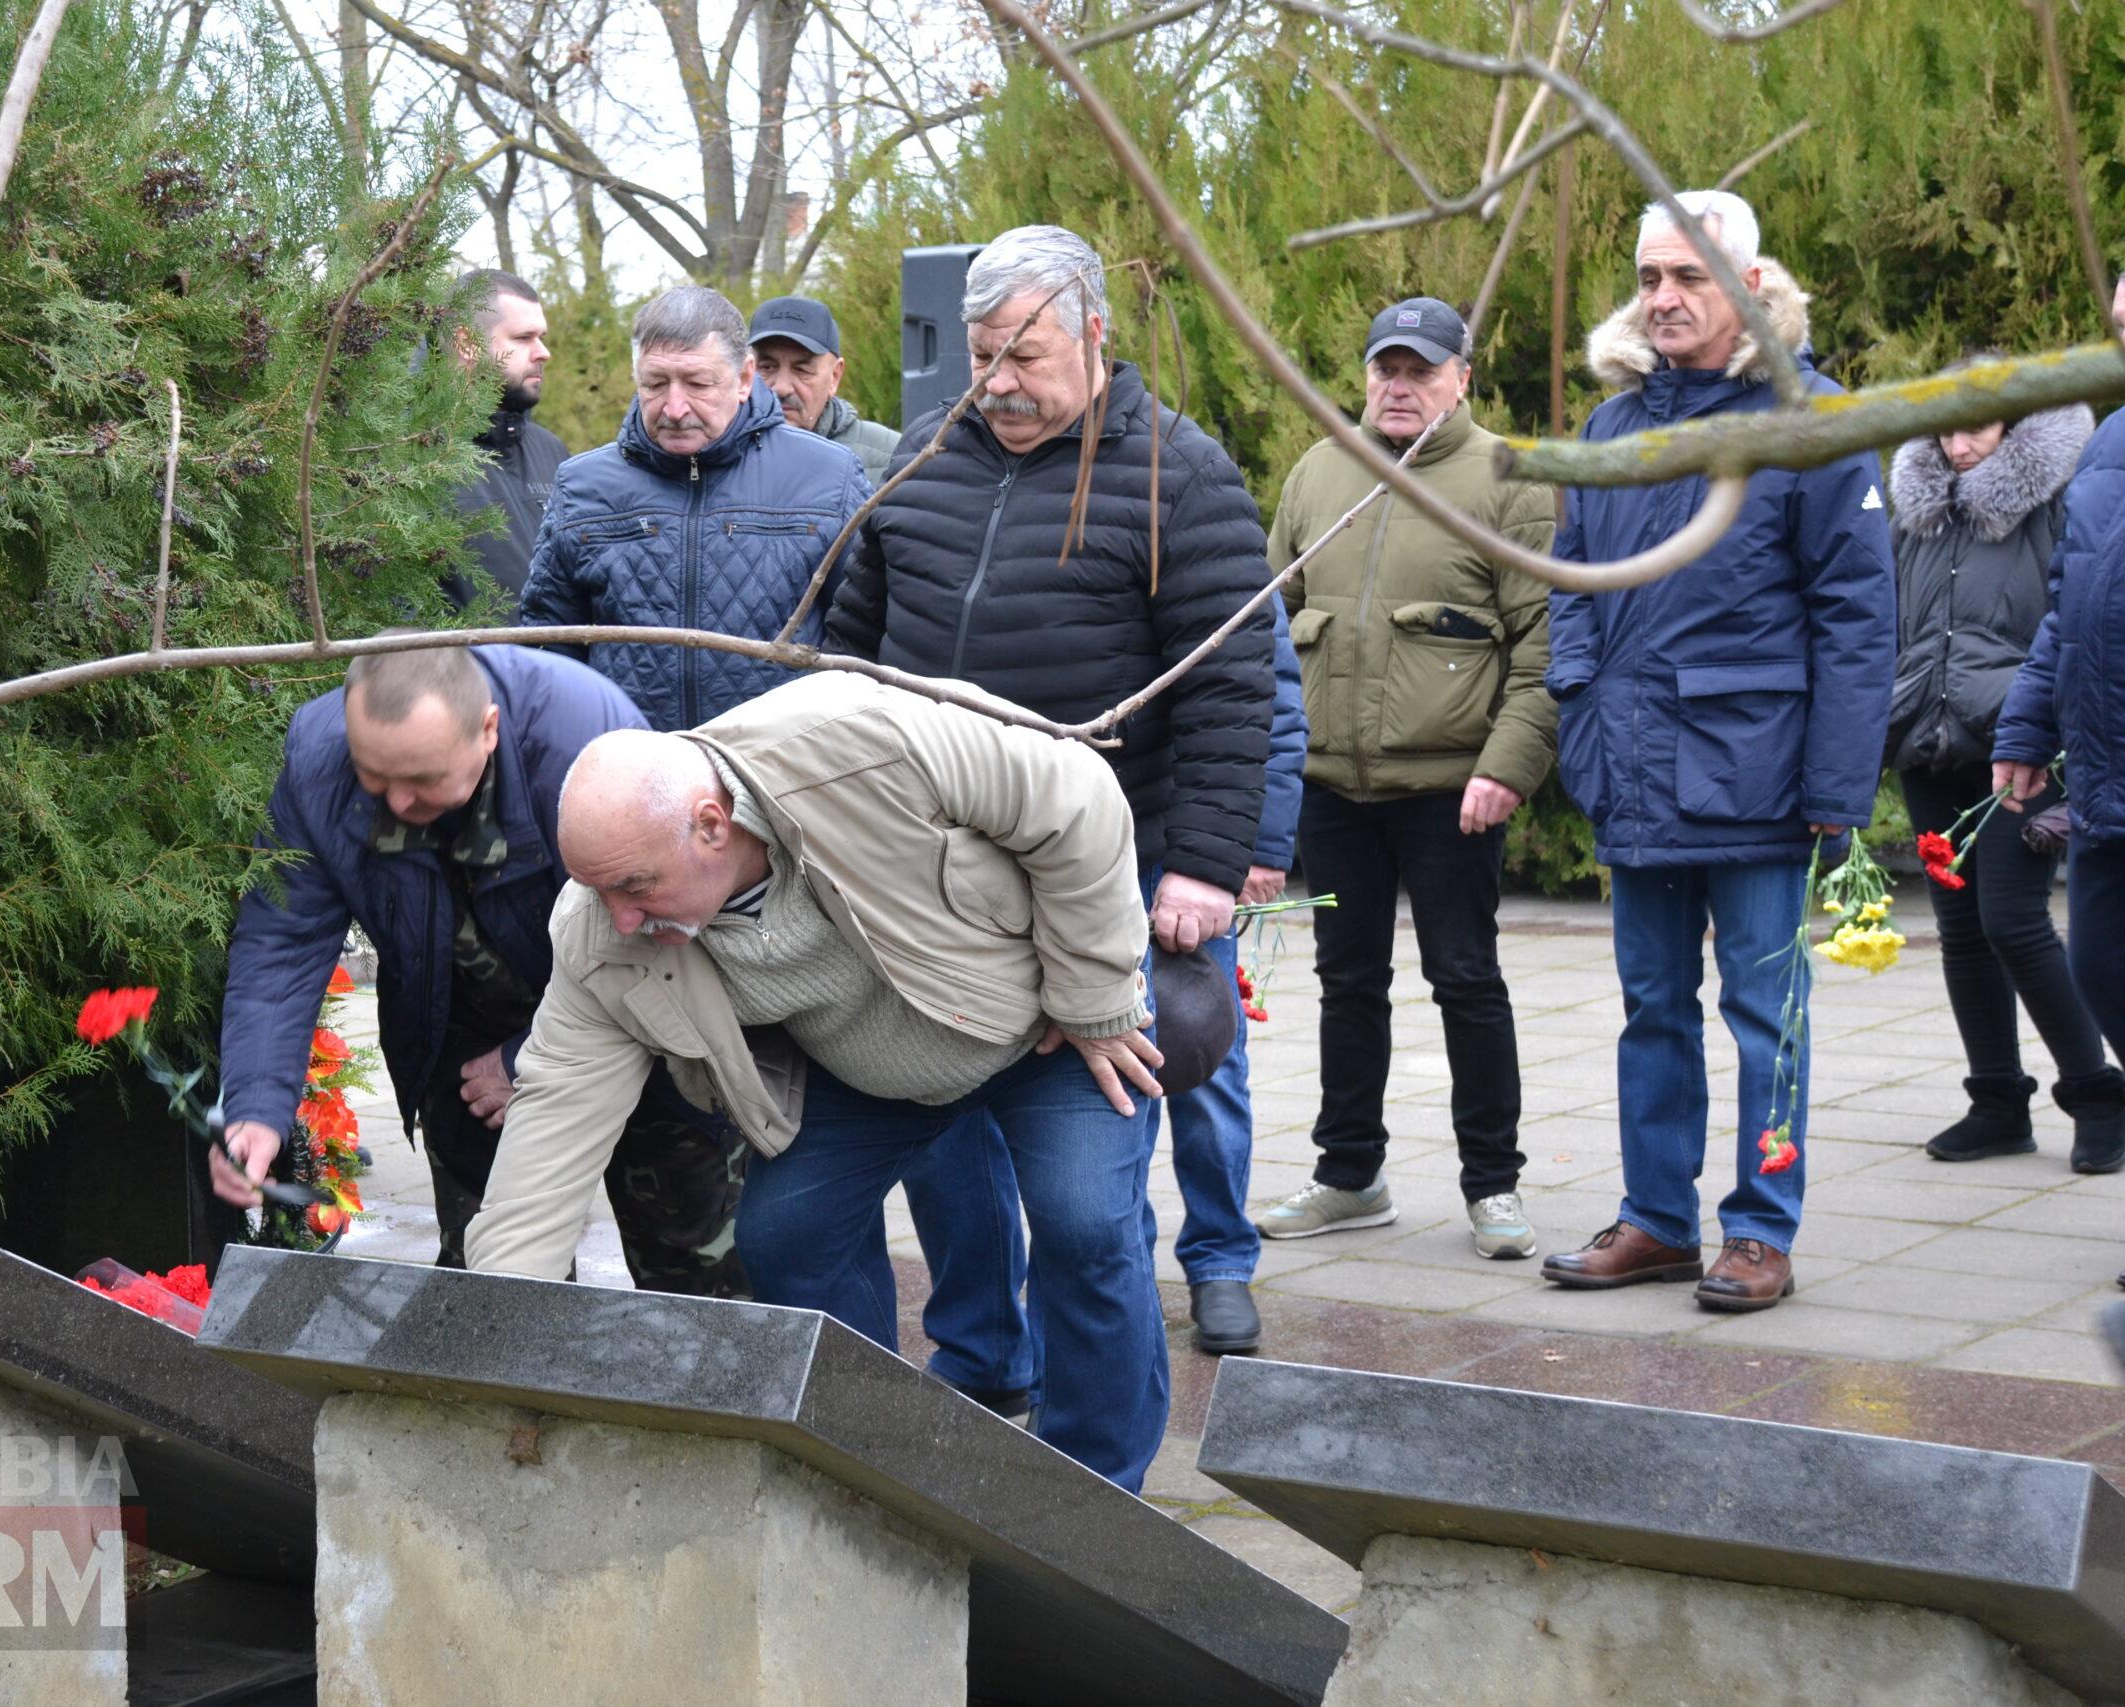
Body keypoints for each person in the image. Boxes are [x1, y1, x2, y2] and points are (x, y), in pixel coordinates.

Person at [462, 673, 1171, 1492]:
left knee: (1086, 1222)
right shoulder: (601, 933)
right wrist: (495, 1345)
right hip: (863, 1068)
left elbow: (1076, 791)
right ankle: (878, 1473)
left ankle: (1097, 1493)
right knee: (786, 1234)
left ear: (710, 824)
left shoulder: (857, 739)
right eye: (599, 890)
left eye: (635, 886)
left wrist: (1095, 994)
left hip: (1042, 1019)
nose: (622, 918)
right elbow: (551, 1121)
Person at [829, 223, 1280, 1360]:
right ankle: (985, 1360)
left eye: (1025, 357)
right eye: (983, 356)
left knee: (1091, 1191)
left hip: (1118, 872)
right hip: (941, 879)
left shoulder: (1180, 471)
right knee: (944, 1139)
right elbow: (849, 646)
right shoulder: (925, 453)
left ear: (1095, 333)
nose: (1000, 384)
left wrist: (1206, 865)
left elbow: (1234, 686)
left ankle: (1108, 1418)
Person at [1540, 191, 1894, 1312]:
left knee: (1766, 1021)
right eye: (1649, 278)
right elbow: (1573, 592)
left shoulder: (1810, 420)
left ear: (1747, 285)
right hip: (1635, 772)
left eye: (1688, 277)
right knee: (1652, 1010)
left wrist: (1836, 787)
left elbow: (1856, 614)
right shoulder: (1609, 428)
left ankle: (1758, 1231)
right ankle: (1656, 1220)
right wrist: (1580, 711)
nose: (1662, 298)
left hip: (1758, 775)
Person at [210, 643, 751, 1296]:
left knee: (697, 1286)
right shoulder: (320, 765)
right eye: (375, 776)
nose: (399, 801)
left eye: (423, 778)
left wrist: (528, 1058)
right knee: (488, 1296)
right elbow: (281, 944)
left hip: (639, 1028)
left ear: (488, 729)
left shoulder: (586, 746)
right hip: (460, 1042)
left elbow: (657, 938)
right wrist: (257, 1108)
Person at [1256, 297, 1556, 1262]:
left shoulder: (1511, 480)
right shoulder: (1320, 471)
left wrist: (1507, 767)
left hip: (1450, 795)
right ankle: (1351, 1175)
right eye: (1386, 366)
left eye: (1421, 370)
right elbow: (1265, 626)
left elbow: (1545, 650)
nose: (1399, 384)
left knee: (1465, 980)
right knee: (1347, 981)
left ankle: (1493, 1186)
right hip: (1333, 792)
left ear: (1462, 377)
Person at [1888, 384, 2119, 1170]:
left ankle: (2097, 1094)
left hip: (2019, 744)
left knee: (2013, 920)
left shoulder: (2057, 497)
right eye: (1947, 428)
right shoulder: (1919, 508)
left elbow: (2075, 610)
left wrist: (2043, 724)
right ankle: (1996, 1100)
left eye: (1976, 428)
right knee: (1958, 927)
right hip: (1929, 737)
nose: (1958, 445)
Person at [519, 285, 870, 731]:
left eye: (698, 384)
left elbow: (863, 640)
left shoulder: (828, 476)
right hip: (632, 770)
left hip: (777, 772)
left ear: (744, 379)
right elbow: (549, 650)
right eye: (655, 384)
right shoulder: (582, 486)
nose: (675, 407)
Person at [1995, 276, 2125, 1187]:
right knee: (2100, 963)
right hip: (2110, 775)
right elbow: (2068, 603)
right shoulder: (2112, 446)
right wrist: (2028, 724)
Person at [446, 269, 564, 603]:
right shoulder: (407, 454)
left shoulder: (552, 452)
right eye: (524, 338)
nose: (543, 352)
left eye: (541, 337)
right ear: (467, 343)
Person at [748, 294, 900, 482]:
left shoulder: (893, 459)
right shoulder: (714, 452)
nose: (781, 388)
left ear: (834, 377)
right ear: (745, 373)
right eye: (767, 368)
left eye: (801, 369)